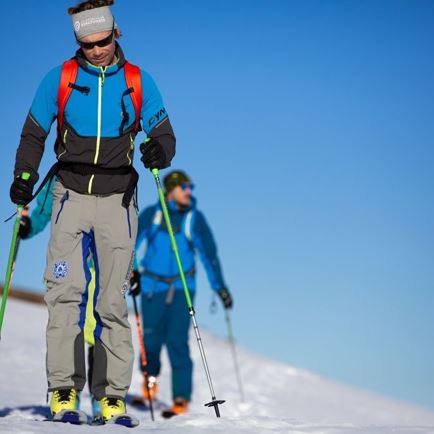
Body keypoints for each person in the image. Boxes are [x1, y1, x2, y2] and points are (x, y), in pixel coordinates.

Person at [9, 0, 175, 423]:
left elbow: (164, 133)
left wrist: (161, 150)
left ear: (114, 34)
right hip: (69, 197)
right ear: (78, 42)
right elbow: (33, 132)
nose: (96, 50)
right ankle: (63, 391)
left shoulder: (138, 81)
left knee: (112, 302)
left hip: (118, 202)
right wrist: (24, 175)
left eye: (102, 42)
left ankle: (111, 397)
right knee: (64, 296)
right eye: (87, 44)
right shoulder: (60, 78)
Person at [130, 170, 233, 418]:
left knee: (178, 342)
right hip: (152, 288)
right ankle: (150, 380)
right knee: (151, 342)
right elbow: (131, 243)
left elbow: (209, 256)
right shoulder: (152, 216)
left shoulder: (194, 219)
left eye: (189, 187)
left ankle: (180, 398)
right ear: (171, 190)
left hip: (182, 289)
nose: (189, 192)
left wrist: (220, 288)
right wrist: (132, 272)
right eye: (184, 187)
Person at [18, 179, 101, 418]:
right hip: (67, 259)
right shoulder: (59, 175)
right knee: (66, 322)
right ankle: (65, 393)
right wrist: (28, 226)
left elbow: (120, 232)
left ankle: (100, 398)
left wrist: (131, 268)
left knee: (97, 327)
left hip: (97, 264)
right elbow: (44, 211)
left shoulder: (110, 168)